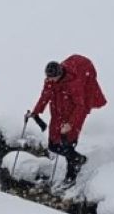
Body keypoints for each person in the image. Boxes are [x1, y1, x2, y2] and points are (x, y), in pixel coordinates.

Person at [27, 55, 106, 185]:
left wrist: (70, 124)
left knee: (68, 143)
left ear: (60, 74)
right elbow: (45, 96)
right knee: (53, 145)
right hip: (57, 114)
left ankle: (71, 177)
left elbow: (80, 106)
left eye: (52, 78)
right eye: (48, 77)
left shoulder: (73, 83)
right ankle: (79, 159)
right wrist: (35, 112)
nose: (50, 80)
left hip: (74, 115)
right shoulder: (50, 80)